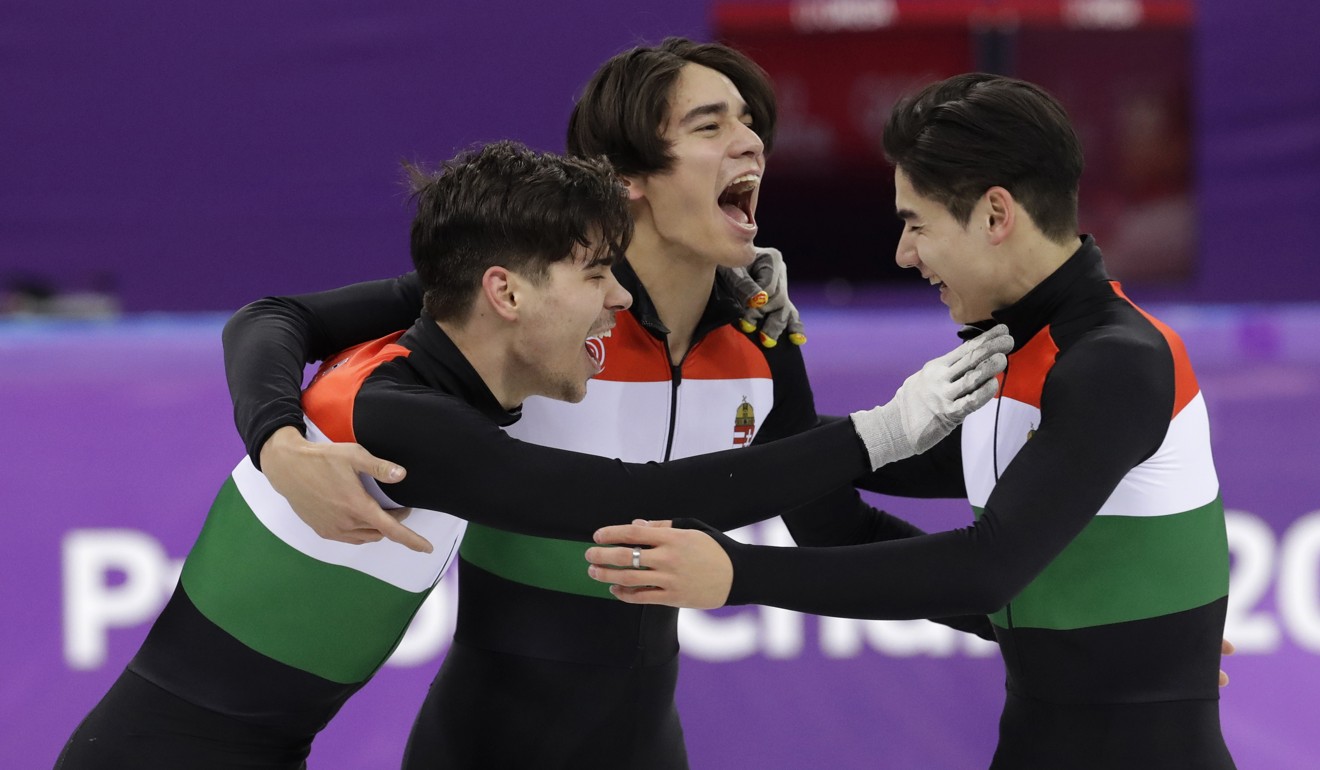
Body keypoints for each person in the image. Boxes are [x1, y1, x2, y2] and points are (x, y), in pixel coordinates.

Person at [56, 139, 1007, 770]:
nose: (620, 301)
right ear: (507, 295)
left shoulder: (438, 330)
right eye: (597, 275)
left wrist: (727, 286)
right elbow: (655, 493)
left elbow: (272, 314)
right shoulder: (400, 422)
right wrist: (880, 429)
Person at [586, 73, 1235, 769]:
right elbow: (841, 500)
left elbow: (985, 570)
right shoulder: (1015, 354)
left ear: (994, 216)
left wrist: (739, 572)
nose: (903, 254)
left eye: (914, 223)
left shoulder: (1115, 362)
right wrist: (764, 353)